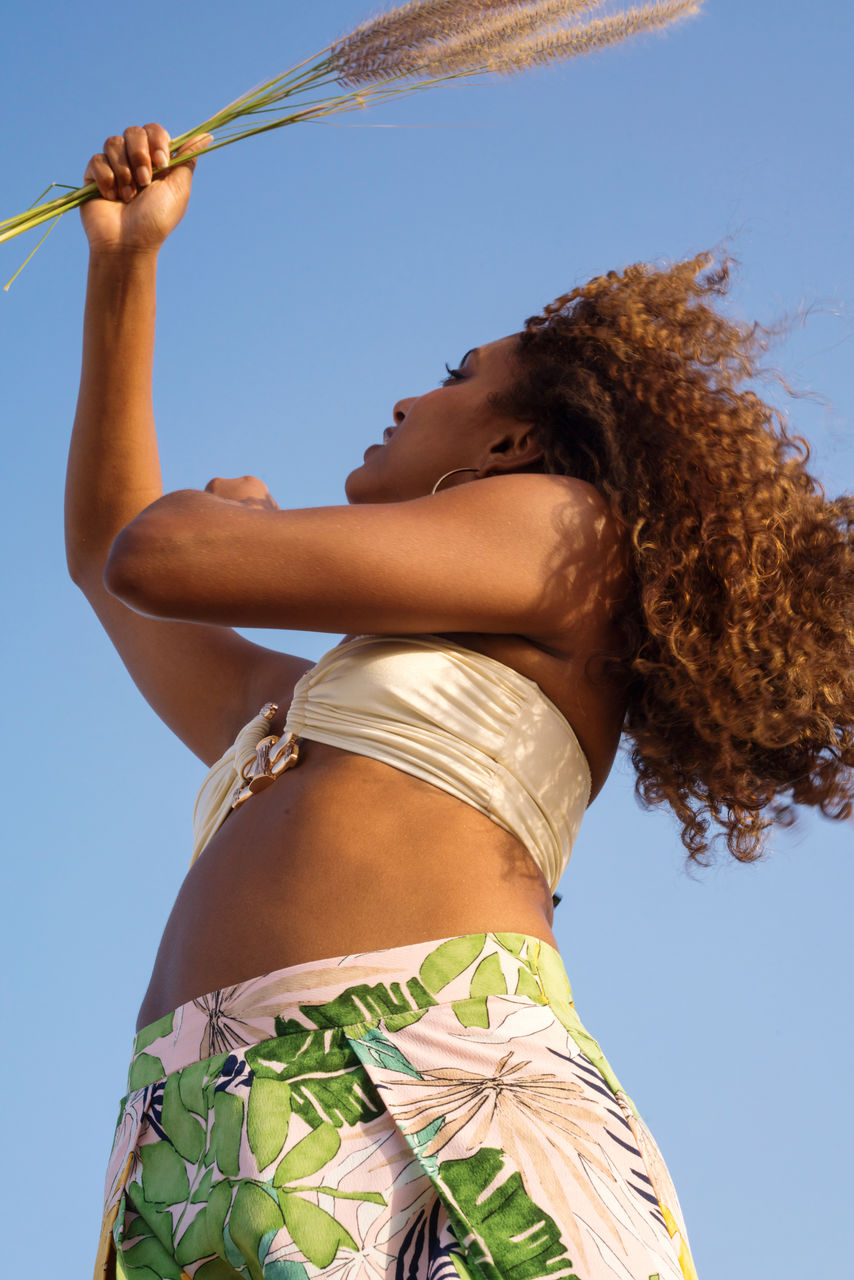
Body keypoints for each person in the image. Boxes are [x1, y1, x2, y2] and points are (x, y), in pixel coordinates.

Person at [71, 124, 853, 1280]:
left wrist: (238, 527)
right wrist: (125, 264)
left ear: (512, 440)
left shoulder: (562, 529)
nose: (405, 394)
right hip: (211, 1121)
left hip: (433, 1086)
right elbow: (110, 559)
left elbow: (164, 556)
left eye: (452, 374)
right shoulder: (302, 721)